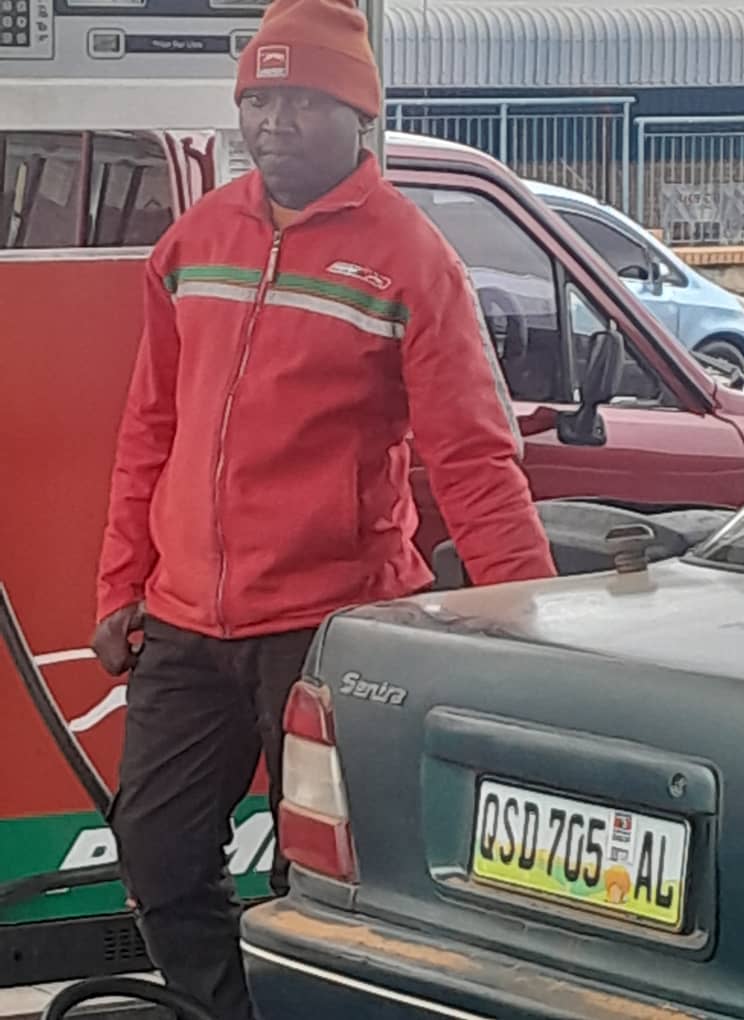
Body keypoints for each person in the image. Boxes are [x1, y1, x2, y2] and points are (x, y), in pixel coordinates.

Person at [91, 0, 556, 1016]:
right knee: (156, 852)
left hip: (332, 626)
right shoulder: (193, 242)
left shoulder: (412, 259)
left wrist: (536, 634)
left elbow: (474, 461)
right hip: (185, 622)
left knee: (321, 882)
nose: (274, 123)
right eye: (259, 101)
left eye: (302, 100)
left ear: (358, 114)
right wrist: (121, 581)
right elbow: (150, 429)